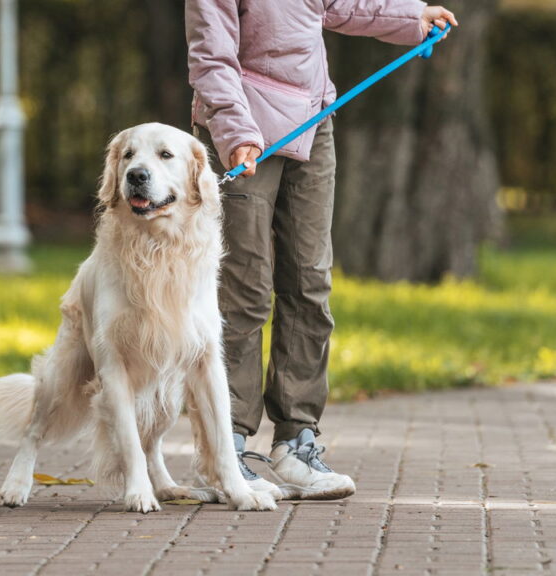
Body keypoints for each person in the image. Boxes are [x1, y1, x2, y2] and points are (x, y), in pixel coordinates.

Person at [186, 1, 458, 500]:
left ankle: (296, 441)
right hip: (243, 130)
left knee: (310, 280)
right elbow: (211, 57)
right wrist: (234, 131)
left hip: (313, 119)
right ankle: (227, 449)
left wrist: (412, 16)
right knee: (243, 290)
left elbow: (345, 3)